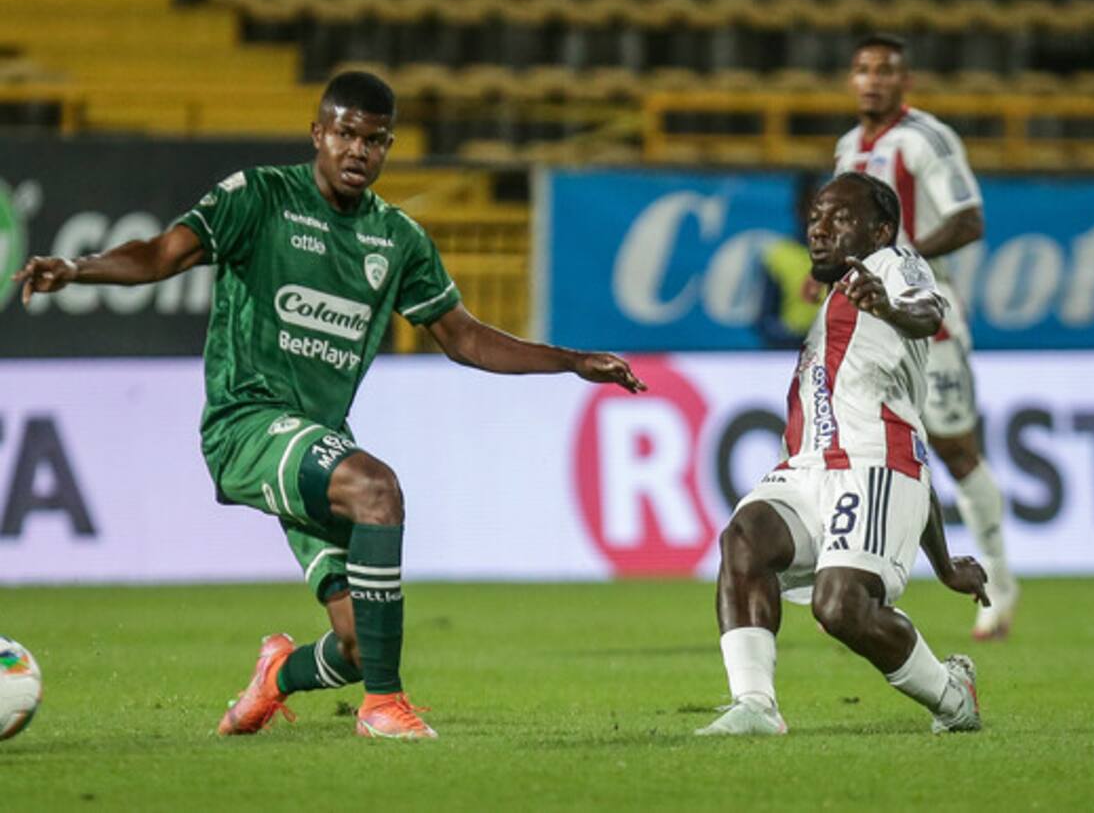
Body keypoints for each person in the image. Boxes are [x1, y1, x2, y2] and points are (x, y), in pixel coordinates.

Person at [12, 71, 646, 741]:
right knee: (377, 489)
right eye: (345, 134)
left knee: (360, 644)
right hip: (246, 422)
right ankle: (384, 707)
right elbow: (163, 254)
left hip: (316, 438)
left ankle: (277, 676)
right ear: (318, 133)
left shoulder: (397, 239)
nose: (357, 150)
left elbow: (463, 338)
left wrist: (571, 360)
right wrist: (78, 268)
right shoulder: (260, 197)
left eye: (374, 140)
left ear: (388, 147)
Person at [696, 172, 989, 737]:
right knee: (744, 539)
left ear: (880, 230)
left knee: (841, 608)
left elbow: (927, 312)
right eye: (815, 218)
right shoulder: (836, 300)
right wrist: (945, 563)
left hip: (873, 464)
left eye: (840, 218)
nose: (820, 229)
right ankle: (755, 705)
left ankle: (953, 696)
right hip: (809, 467)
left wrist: (889, 306)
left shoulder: (894, 264)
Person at [833, 33, 1017, 640]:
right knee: (860, 450)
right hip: (868, 327)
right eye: (863, 70)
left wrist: (901, 255)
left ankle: (999, 581)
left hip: (926, 319)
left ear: (905, 81)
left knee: (956, 452)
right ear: (851, 80)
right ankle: (856, 585)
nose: (873, 80)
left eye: (885, 70)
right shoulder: (847, 148)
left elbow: (969, 219)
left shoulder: (925, 139)